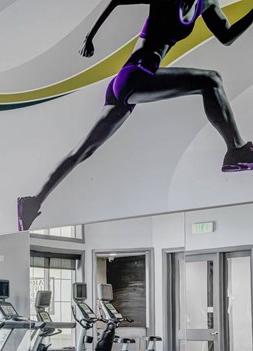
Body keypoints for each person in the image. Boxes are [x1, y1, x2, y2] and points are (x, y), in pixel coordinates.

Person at [18, 0, 253, 231]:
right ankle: (235, 150)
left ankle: (33, 202)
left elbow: (227, 36)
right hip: (135, 75)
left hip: (131, 83)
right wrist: (89, 37)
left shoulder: (207, 3)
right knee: (210, 80)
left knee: (84, 150)